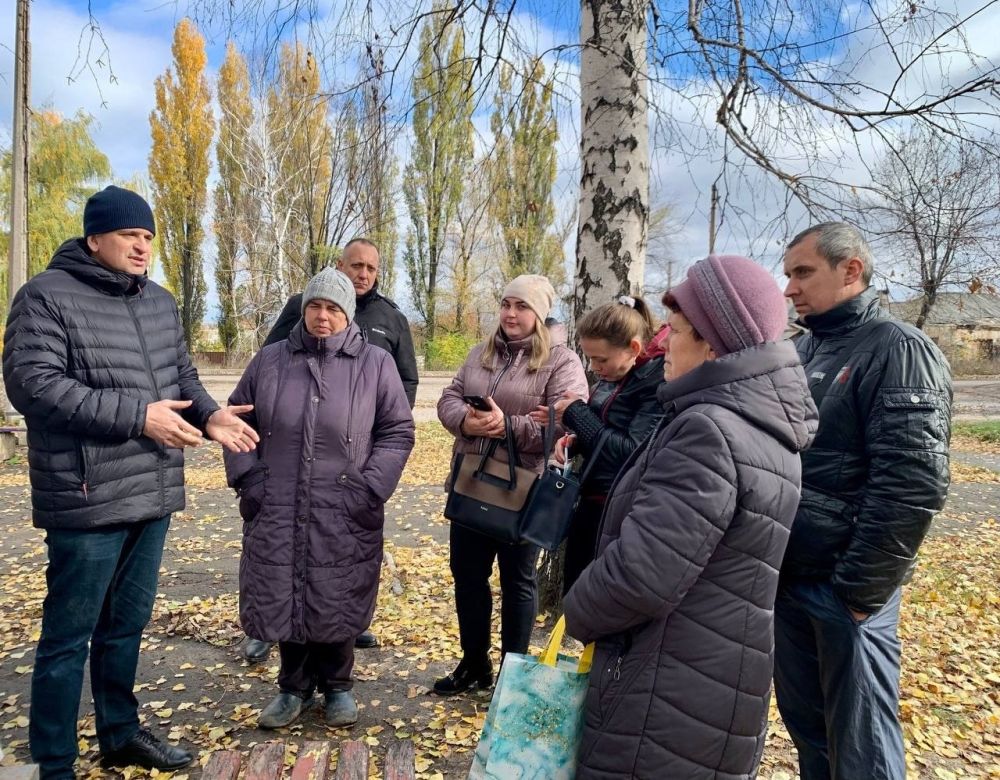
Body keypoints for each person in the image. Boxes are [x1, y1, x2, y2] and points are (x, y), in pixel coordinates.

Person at [2, 186, 259, 779]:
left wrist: (210, 414)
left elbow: (182, 375)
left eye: (147, 237)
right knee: (69, 636)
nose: (142, 246)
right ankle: (55, 761)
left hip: (153, 487)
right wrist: (137, 415)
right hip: (87, 494)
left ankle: (119, 733)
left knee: (126, 624)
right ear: (95, 238)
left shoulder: (159, 302)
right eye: (129, 236)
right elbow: (33, 384)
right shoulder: (45, 296)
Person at [563, 255, 818, 779]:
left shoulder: (709, 430)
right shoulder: (762, 424)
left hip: (666, 683)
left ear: (712, 344)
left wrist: (578, 612)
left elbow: (641, 575)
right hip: (712, 676)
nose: (662, 345)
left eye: (675, 330)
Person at [775, 222, 952, 780]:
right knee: (812, 735)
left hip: (844, 591)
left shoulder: (900, 349)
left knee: (863, 754)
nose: (789, 289)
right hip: (791, 577)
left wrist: (859, 593)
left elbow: (913, 482)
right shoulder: (801, 348)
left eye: (803, 272)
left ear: (851, 270)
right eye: (788, 275)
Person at [223, 268, 414, 729]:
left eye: (333, 308)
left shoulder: (374, 364)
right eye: (315, 306)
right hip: (279, 503)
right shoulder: (270, 361)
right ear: (303, 309)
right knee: (286, 591)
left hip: (345, 504)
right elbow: (234, 423)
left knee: (337, 591)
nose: (323, 316)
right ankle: (291, 688)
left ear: (348, 315)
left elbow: (397, 431)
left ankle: (338, 688)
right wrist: (251, 482)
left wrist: (370, 487)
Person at [435, 274, 588, 695]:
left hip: (524, 492)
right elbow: (449, 396)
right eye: (505, 304)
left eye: (521, 306)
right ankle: (474, 664)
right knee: (467, 577)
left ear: (539, 314)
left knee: (518, 583)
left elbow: (565, 431)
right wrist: (466, 419)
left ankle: (512, 676)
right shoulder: (480, 353)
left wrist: (508, 426)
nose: (510, 313)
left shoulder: (561, 362)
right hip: (471, 483)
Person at [529, 295, 665, 594]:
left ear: (634, 348)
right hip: (591, 500)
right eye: (589, 358)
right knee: (577, 593)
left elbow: (631, 452)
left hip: (620, 511)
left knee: (599, 598)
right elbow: (604, 424)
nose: (593, 367)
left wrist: (576, 414)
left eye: (600, 359)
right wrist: (574, 442)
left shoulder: (655, 384)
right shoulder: (616, 373)